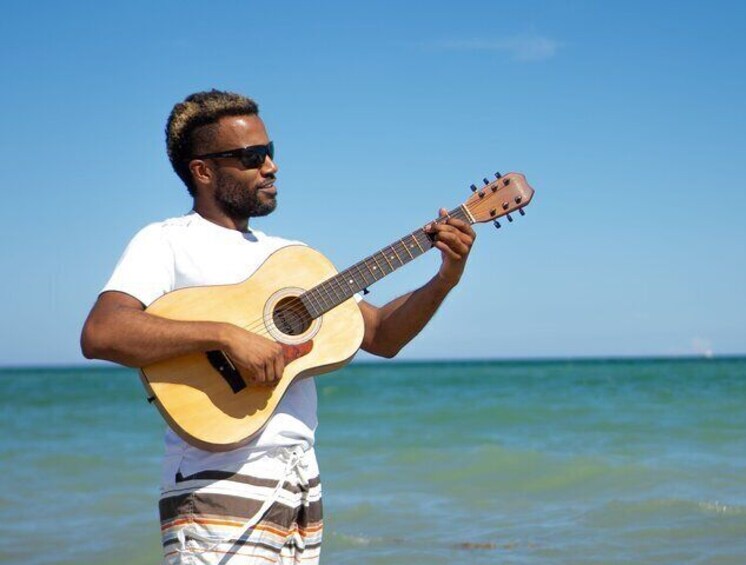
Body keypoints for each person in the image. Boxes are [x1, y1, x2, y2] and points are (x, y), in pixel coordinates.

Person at [80, 89, 475, 564]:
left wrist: (445, 278)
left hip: (300, 482)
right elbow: (102, 332)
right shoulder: (167, 242)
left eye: (271, 152)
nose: (271, 167)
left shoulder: (294, 258)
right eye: (252, 157)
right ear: (202, 171)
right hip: (216, 481)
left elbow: (380, 335)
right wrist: (225, 334)